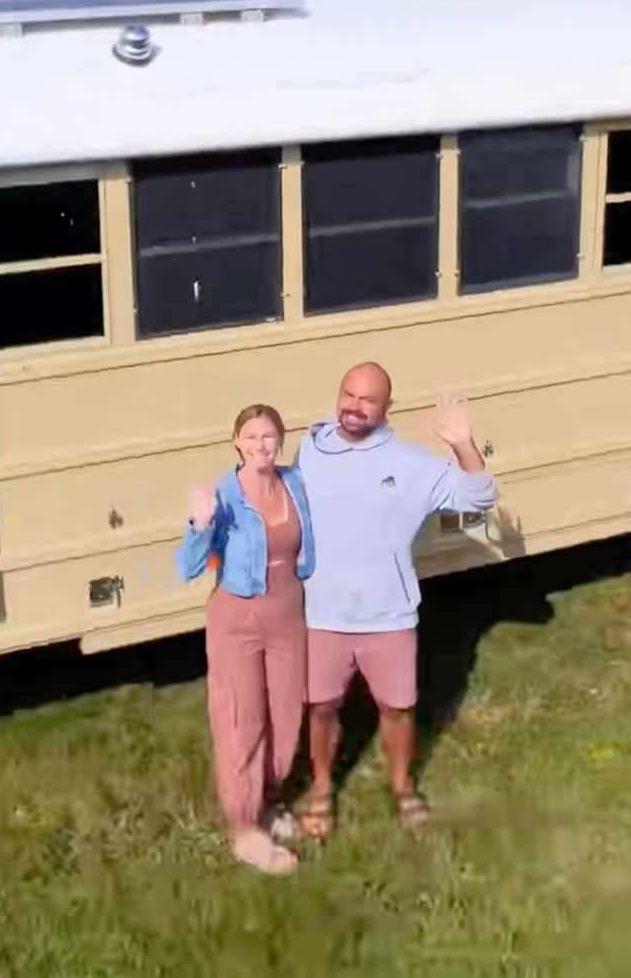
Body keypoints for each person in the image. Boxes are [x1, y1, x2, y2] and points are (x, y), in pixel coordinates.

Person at [294, 362, 497, 837]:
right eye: (348, 394)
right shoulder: (310, 449)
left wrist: (463, 443)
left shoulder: (411, 465)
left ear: (388, 408)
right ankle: (322, 789)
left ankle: (404, 788)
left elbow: (479, 498)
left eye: (367, 400)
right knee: (320, 708)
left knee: (398, 710)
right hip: (323, 614)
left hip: (390, 617)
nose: (354, 407)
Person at [177, 404, 318, 875]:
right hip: (237, 617)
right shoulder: (223, 493)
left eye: (269, 436)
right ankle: (245, 829)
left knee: (284, 714)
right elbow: (188, 567)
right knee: (243, 719)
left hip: (287, 609)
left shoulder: (294, 483)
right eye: (251, 437)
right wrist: (201, 525)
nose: (261, 445)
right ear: (236, 441)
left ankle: (271, 803)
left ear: (281, 440)